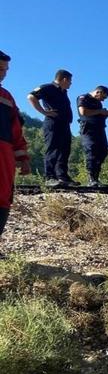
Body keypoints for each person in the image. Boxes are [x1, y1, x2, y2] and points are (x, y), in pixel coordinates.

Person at [28, 69, 78, 187]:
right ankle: (50, 177)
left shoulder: (63, 91)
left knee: (65, 150)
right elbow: (31, 96)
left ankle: (62, 176)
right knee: (53, 148)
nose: (71, 84)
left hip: (64, 124)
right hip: (53, 123)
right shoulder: (48, 88)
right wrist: (44, 112)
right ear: (64, 79)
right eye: (70, 81)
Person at [0, 50, 31, 239]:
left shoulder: (6, 96)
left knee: (3, 198)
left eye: (5, 70)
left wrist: (23, 158)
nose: (3, 73)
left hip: (4, 154)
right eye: (0, 69)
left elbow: (16, 130)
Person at [77, 85, 108, 187]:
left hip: (100, 129)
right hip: (88, 129)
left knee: (103, 151)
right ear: (98, 92)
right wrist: (100, 111)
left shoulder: (98, 103)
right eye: (104, 97)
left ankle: (96, 178)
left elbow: (97, 115)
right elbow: (83, 112)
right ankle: (91, 179)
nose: (104, 100)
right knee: (92, 150)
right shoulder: (83, 98)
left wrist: (106, 114)